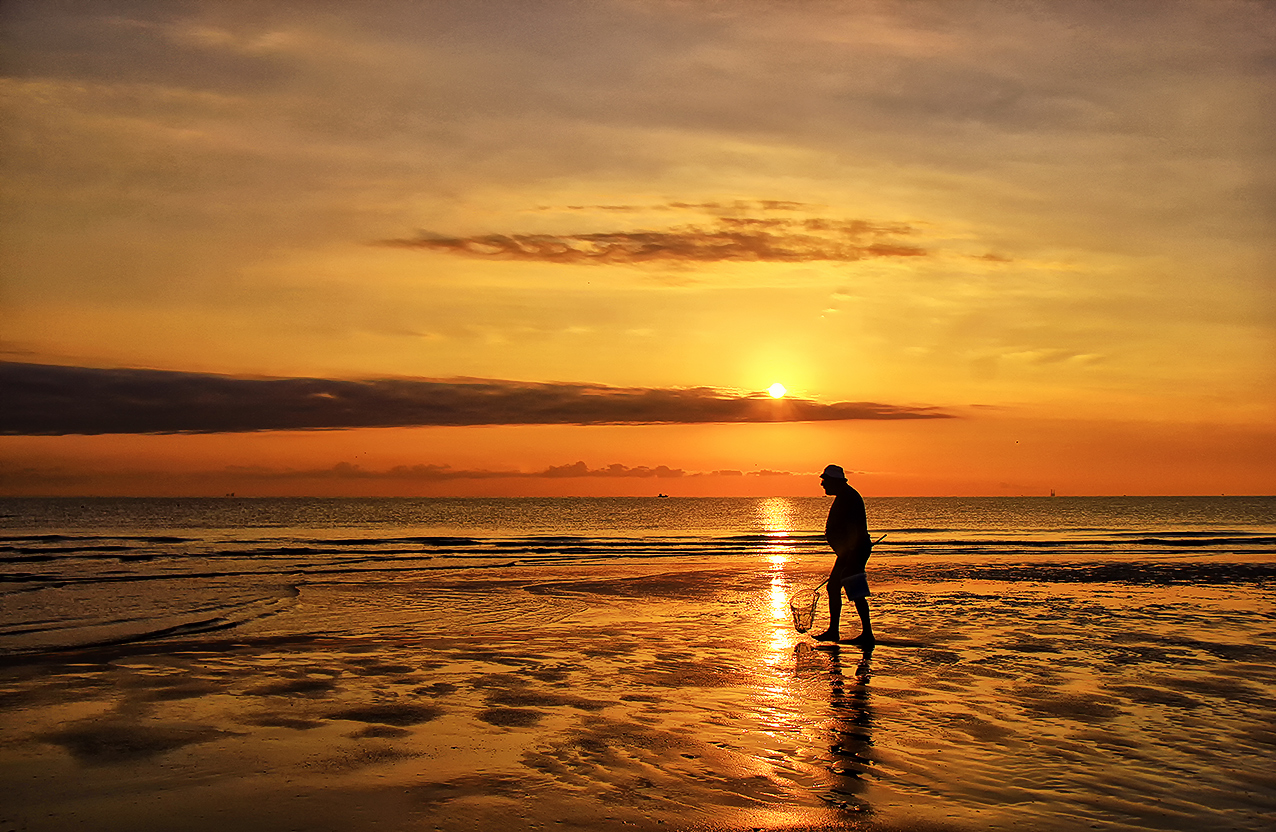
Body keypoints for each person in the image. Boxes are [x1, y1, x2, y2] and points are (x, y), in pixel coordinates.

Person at [814, 464, 874, 644]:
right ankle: (834, 631)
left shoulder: (848, 498)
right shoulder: (844, 496)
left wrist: (850, 557)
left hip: (853, 552)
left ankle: (867, 634)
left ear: (835, 481)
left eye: (825, 481)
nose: (823, 484)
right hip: (848, 552)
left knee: (855, 589)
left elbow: (853, 529)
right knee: (834, 587)